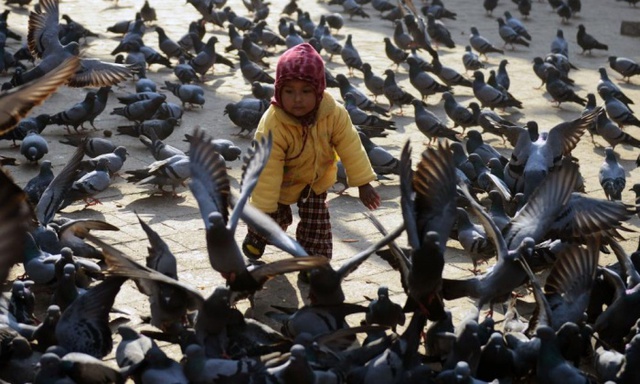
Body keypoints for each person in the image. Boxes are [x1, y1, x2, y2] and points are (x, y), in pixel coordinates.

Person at [242, 43, 381, 270]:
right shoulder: (274, 122)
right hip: (280, 182)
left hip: (315, 182)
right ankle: (257, 236)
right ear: (278, 91)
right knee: (272, 218)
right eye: (289, 91)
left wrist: (363, 182)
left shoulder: (333, 113)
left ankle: (312, 265)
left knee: (317, 228)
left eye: (306, 91)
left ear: (319, 91)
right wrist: (264, 208)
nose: (297, 99)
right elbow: (266, 167)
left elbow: (351, 145)